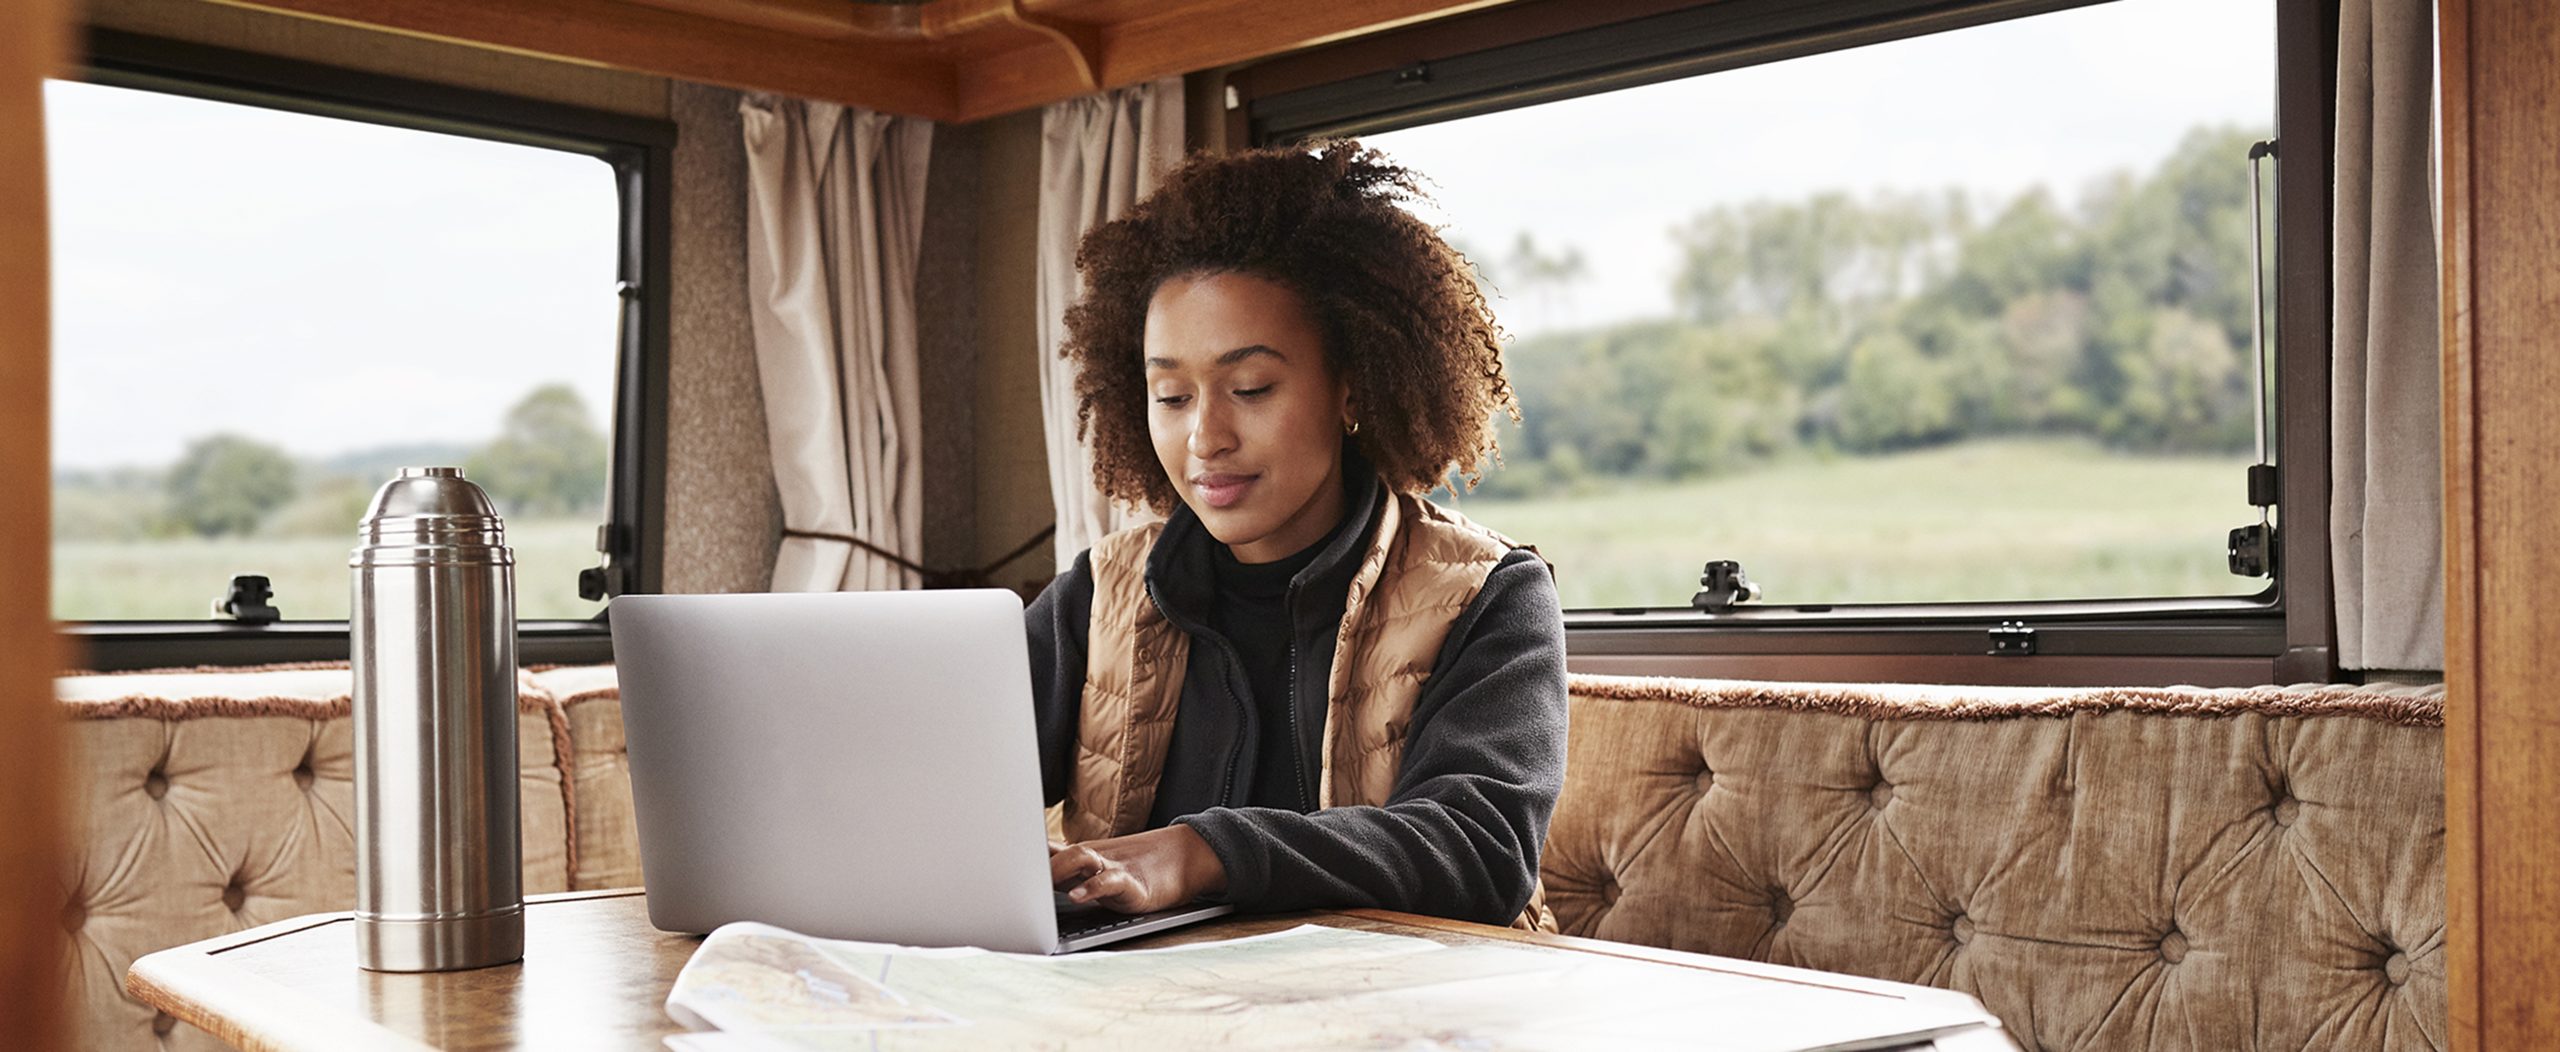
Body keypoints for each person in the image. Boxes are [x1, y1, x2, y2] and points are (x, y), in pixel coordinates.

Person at [1028, 141, 1568, 930]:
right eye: (1171, 395)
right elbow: (944, 786)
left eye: (1250, 388)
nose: (1205, 437)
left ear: (1352, 384)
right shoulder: (1099, 593)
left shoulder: (1489, 596)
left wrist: (1199, 853)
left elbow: (1481, 849)